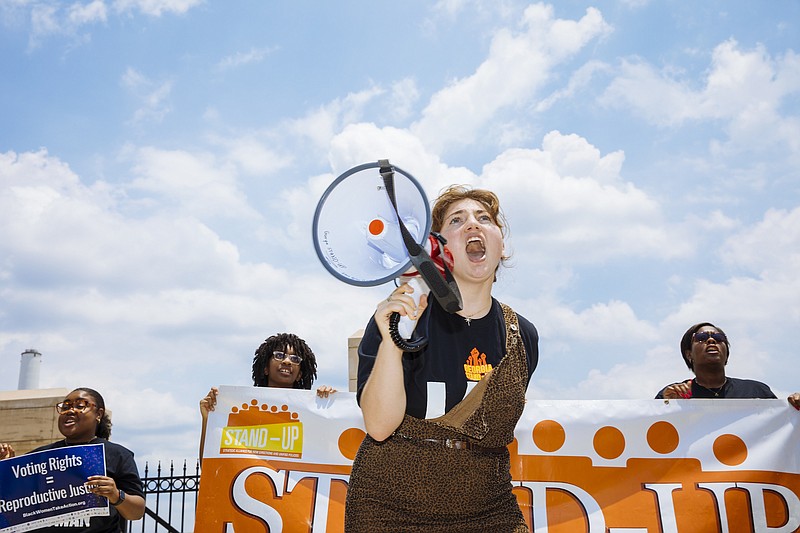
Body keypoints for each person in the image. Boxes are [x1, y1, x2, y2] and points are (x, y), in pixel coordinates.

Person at [344, 185, 539, 532]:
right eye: (457, 220)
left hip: (488, 509)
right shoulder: (399, 318)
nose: (473, 225)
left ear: (501, 245)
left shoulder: (523, 335)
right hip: (390, 508)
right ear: (438, 250)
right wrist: (393, 338)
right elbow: (378, 425)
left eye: (484, 219)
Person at [0, 387, 145, 532]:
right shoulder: (39, 457)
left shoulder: (117, 454)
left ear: (98, 414)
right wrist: (7, 469)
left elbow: (136, 512)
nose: (70, 410)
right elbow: (12, 506)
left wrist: (115, 495)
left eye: (80, 405)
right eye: (65, 406)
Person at [198, 332, 336, 460]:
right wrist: (207, 419)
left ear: (299, 374)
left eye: (295, 358)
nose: (287, 361)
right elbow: (211, 467)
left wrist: (330, 403)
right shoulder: (242, 411)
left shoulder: (312, 413)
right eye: (279, 355)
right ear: (265, 368)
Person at [656, 322, 800, 409]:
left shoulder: (756, 391)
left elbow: (783, 435)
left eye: (719, 338)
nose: (711, 340)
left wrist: (795, 408)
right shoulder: (674, 395)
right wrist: (667, 406)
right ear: (689, 354)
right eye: (701, 338)